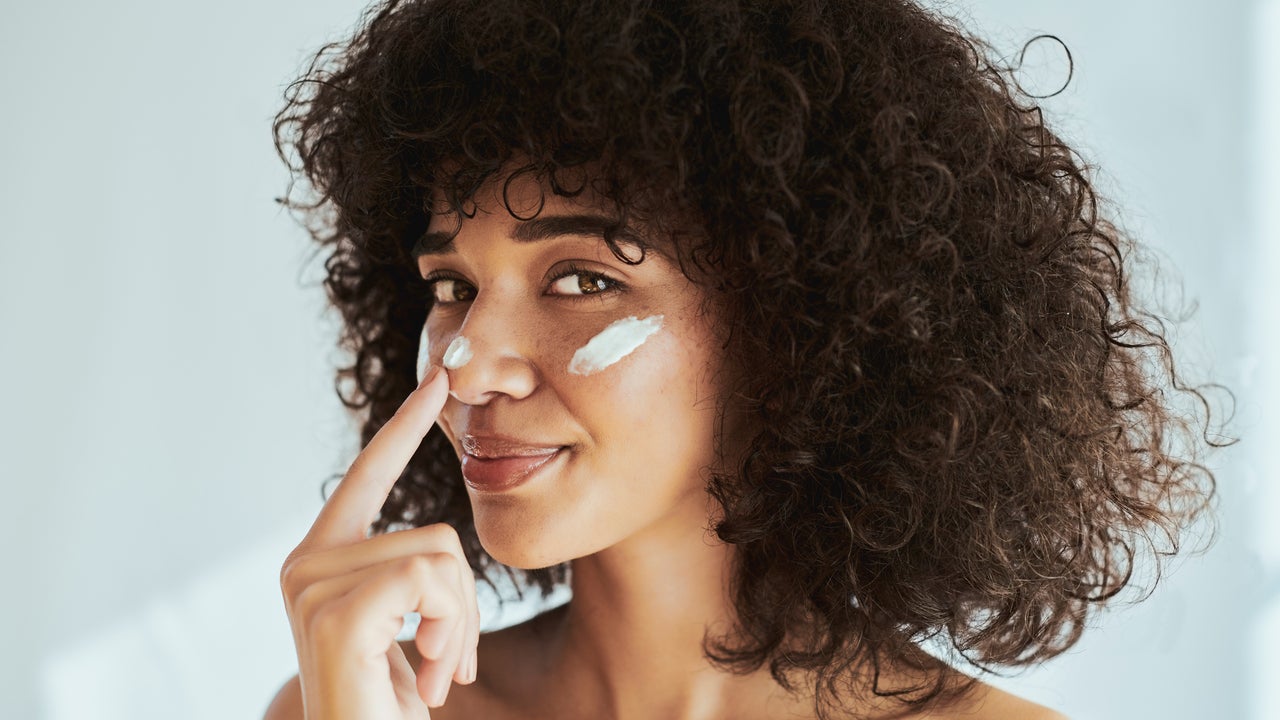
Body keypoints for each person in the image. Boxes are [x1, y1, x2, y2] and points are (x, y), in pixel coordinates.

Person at [264, 0, 1226, 718]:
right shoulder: (358, 706)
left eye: (583, 280)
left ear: (793, 316)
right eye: (451, 287)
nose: (470, 364)